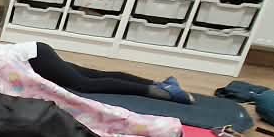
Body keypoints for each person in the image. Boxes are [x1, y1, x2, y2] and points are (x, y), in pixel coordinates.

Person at [27, 42, 192, 104]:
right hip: (34, 52)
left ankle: (165, 93)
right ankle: (162, 84)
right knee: (94, 75)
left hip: (33, 57)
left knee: (84, 84)